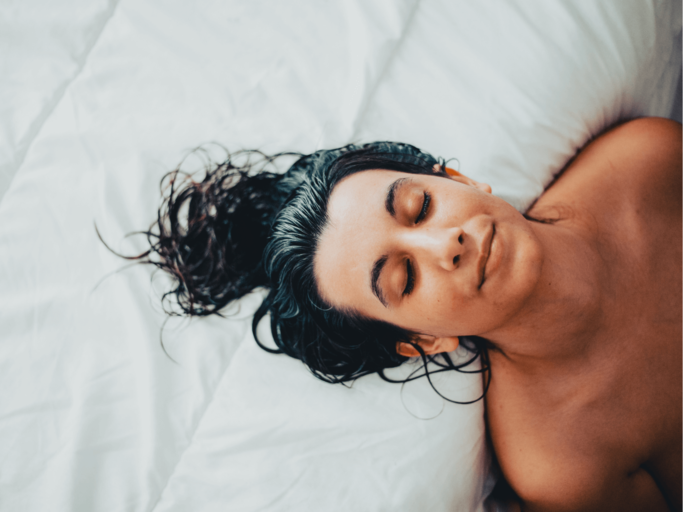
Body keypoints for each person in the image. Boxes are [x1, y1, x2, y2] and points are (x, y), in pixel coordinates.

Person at [132, 117, 681, 511]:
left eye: (420, 206)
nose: (448, 244)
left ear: (456, 180)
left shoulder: (645, 163)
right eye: (405, 278)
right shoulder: (561, 462)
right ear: (421, 340)